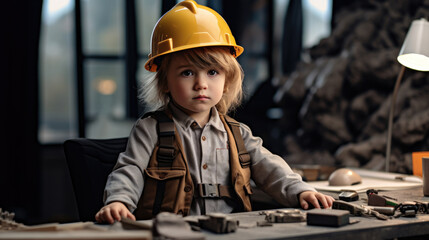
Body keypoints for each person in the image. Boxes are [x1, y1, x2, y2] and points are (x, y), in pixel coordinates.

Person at [95, 0, 334, 224]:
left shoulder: (238, 134)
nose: (201, 84)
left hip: (232, 230)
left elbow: (271, 168)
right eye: (187, 73)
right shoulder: (150, 130)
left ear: (227, 81)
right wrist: (118, 201)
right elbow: (130, 169)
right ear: (165, 81)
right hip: (173, 231)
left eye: (212, 72)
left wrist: (300, 190)